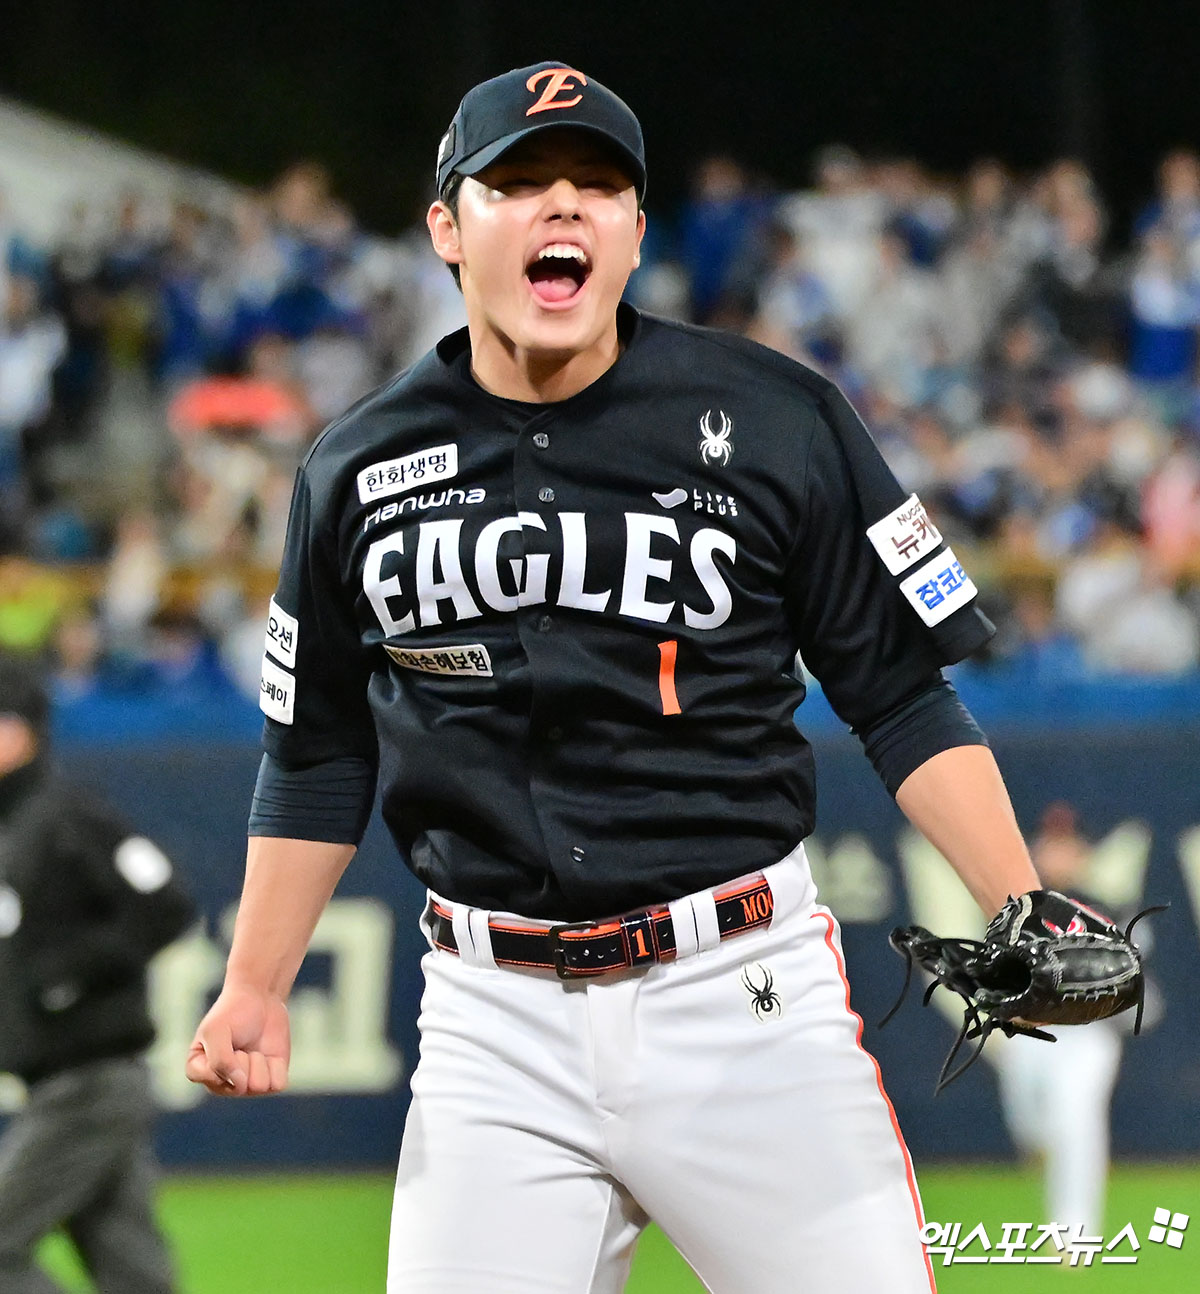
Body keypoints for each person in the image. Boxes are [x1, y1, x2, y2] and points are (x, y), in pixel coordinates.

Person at [187, 62, 1045, 1293]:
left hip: (741, 1002)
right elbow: (316, 752)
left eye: (599, 186)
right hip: (493, 1022)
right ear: (446, 225)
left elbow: (903, 699)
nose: (562, 209)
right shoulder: (356, 466)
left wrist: (1020, 904)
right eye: (519, 184)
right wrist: (257, 984)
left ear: (637, 232)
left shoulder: (775, 418)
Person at [0, 652, 194, 1293]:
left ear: (24, 730)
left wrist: (67, 980)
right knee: (133, 1274)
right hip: (65, 1082)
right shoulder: (15, 824)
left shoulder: (66, 815)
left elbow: (165, 904)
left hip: (90, 1082)